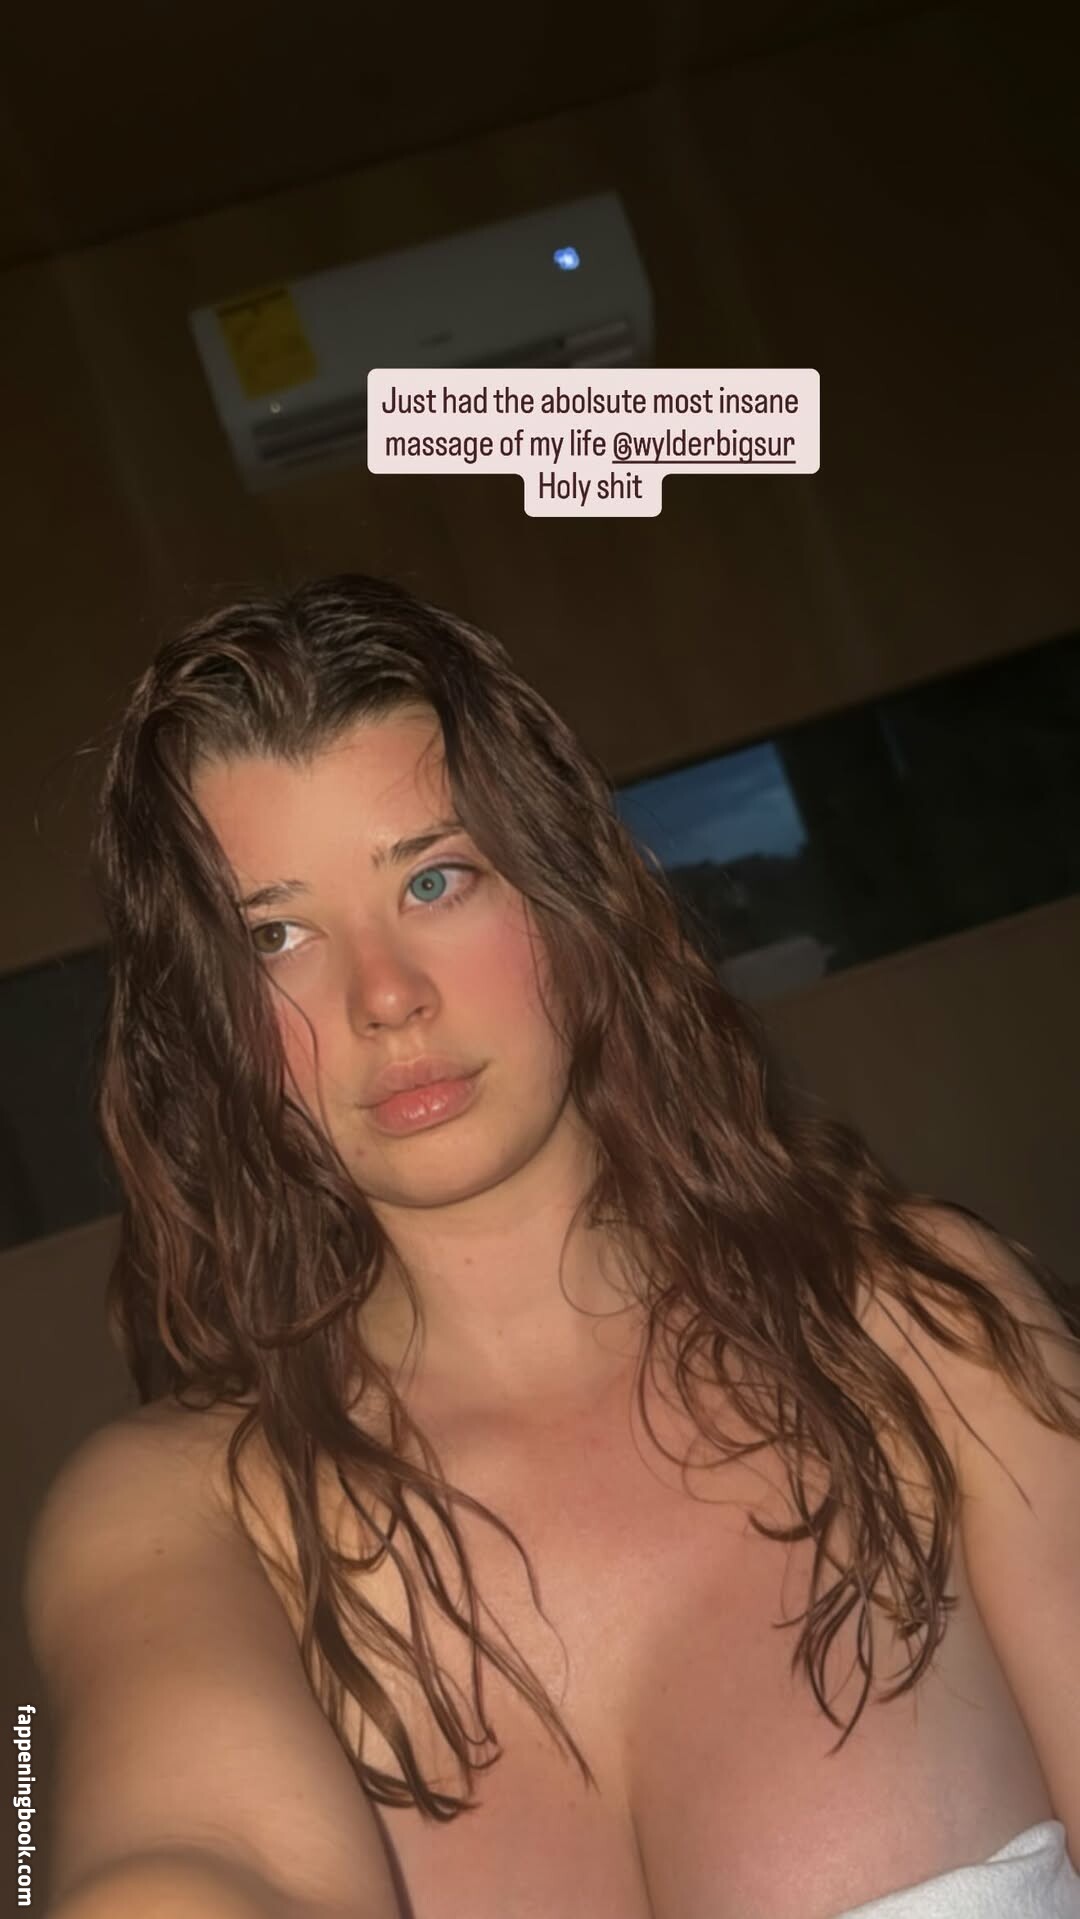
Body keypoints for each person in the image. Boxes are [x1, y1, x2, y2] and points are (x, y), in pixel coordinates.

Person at [23, 574, 1080, 1919]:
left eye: (436, 879)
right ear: (207, 1023)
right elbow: (188, 1859)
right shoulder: (175, 1510)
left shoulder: (925, 1331)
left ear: (568, 898)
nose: (386, 996)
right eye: (275, 935)